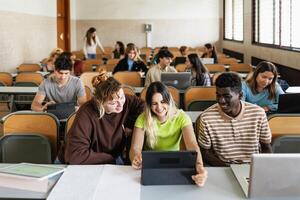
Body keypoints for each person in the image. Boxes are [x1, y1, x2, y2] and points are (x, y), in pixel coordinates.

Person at [130, 82, 207, 186]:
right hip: (150, 164)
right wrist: (136, 158)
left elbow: (192, 144)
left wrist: (199, 166)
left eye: (163, 102)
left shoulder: (182, 117)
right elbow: (135, 147)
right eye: (154, 103)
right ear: (149, 105)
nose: (159, 107)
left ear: (169, 100)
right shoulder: (142, 119)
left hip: (175, 162)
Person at [64, 70, 145, 164]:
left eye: (122, 97)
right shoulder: (86, 113)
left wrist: (130, 125)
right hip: (87, 162)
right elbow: (75, 156)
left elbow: (144, 106)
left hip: (113, 158)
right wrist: (109, 159)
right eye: (113, 103)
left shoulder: (120, 99)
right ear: (100, 103)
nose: (120, 105)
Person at [197, 72, 272, 166]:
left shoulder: (258, 113)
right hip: (224, 166)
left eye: (227, 96)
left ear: (240, 95)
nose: (221, 101)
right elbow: (205, 152)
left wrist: (262, 167)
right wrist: (228, 168)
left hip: (253, 166)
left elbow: (266, 147)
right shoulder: (207, 117)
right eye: (218, 95)